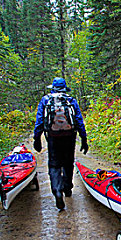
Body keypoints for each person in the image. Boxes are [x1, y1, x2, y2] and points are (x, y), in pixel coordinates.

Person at [33, 77, 88, 210]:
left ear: (53, 88)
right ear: (64, 88)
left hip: (53, 137)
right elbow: (79, 120)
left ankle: (57, 190)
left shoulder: (45, 100)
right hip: (69, 136)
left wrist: (37, 138)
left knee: (54, 164)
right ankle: (67, 188)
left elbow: (40, 120)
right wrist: (84, 139)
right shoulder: (70, 100)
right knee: (68, 163)